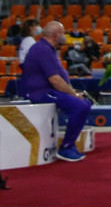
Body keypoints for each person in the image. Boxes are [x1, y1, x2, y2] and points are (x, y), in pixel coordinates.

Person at [20, 20, 92, 162]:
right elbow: (55, 80)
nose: (64, 36)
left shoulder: (48, 48)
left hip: (49, 90)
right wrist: (73, 94)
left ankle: (70, 145)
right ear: (56, 34)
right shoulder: (42, 49)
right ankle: (66, 147)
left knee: (85, 104)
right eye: (63, 33)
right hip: (40, 92)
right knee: (80, 106)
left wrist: (72, 92)